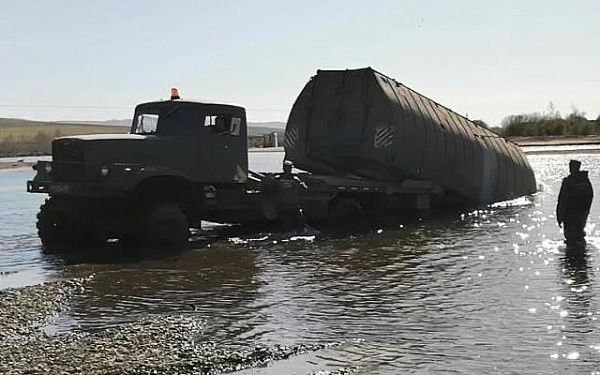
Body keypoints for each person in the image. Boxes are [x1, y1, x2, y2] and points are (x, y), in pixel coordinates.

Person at [557, 160, 593, 246]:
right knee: (578, 234)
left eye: (571, 166)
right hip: (580, 212)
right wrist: (586, 209)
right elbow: (590, 195)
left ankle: (574, 252)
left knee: (571, 236)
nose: (570, 168)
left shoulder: (568, 181)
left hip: (571, 213)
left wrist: (559, 216)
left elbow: (562, 199)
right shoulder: (584, 180)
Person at [275, 160, 307, 231]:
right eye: (287, 168)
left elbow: (304, 188)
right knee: (287, 223)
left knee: (299, 221)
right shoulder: (278, 179)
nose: (288, 170)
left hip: (293, 206)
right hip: (284, 206)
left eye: (289, 168)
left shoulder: (295, 180)